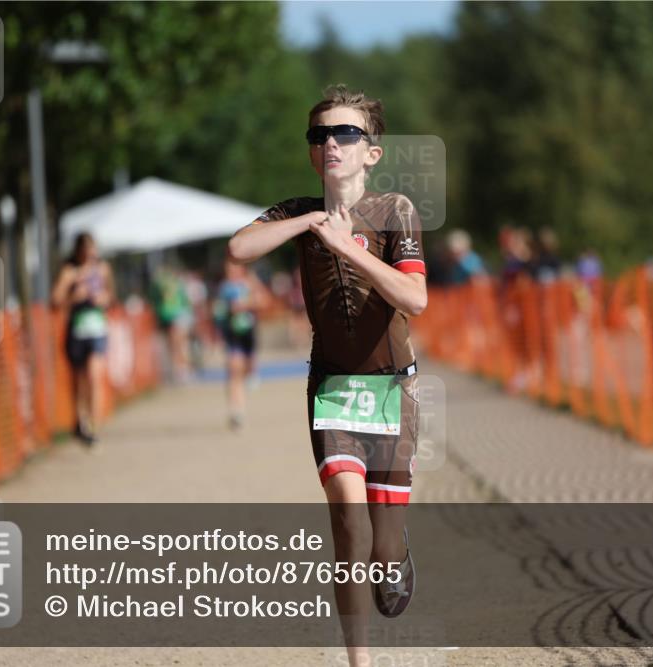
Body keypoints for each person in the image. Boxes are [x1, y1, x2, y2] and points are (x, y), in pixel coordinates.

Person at [226, 84, 427, 665]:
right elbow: (240, 249)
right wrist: (312, 222)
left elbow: (414, 299)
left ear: (372, 152)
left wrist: (350, 248)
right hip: (334, 389)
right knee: (347, 522)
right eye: (320, 135)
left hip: (393, 389)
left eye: (346, 133)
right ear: (312, 152)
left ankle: (396, 555)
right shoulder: (297, 212)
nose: (332, 143)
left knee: (382, 545)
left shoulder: (396, 212)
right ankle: (358, 660)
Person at [51, 233, 115, 446]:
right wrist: (72, 296)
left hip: (97, 329)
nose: (90, 255)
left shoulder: (103, 269)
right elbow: (55, 301)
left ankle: (93, 428)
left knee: (95, 376)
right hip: (76, 330)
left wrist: (103, 299)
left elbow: (111, 297)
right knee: (79, 380)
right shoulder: (70, 271)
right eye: (86, 251)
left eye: (93, 250)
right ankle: (81, 421)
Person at [213, 259, 266, 429]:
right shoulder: (224, 288)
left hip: (248, 334)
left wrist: (245, 304)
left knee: (247, 369)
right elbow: (217, 311)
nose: (231, 272)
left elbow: (263, 301)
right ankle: (236, 411)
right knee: (234, 371)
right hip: (232, 335)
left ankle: (252, 373)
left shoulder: (250, 283)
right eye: (228, 269)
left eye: (234, 268)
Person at [149, 265, 192, 383]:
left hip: (175, 316)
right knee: (175, 345)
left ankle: (181, 370)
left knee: (177, 344)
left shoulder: (169, 284)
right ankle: (179, 370)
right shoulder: (174, 283)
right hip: (170, 316)